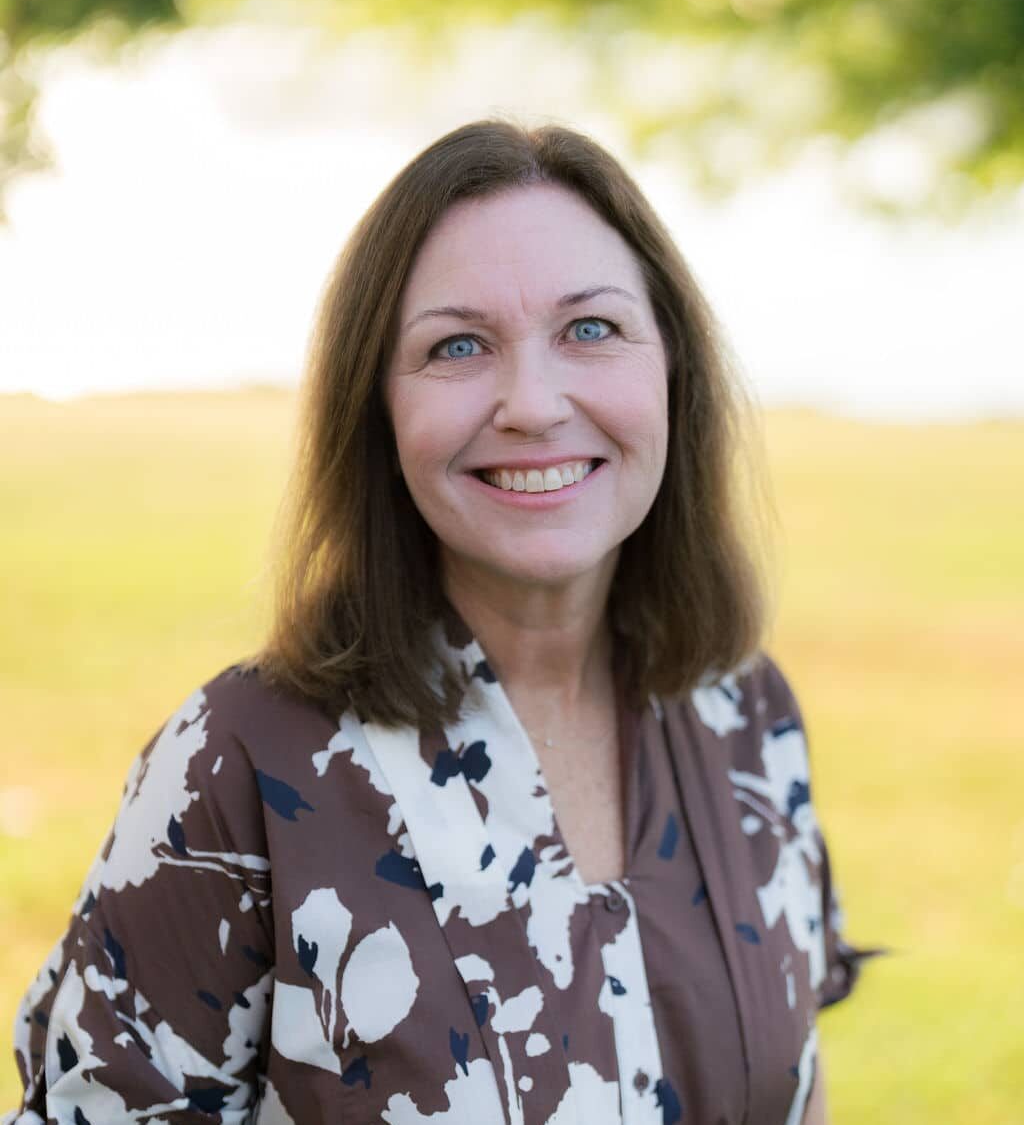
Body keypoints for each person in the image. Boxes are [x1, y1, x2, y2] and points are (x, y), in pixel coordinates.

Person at [5, 119, 880, 1125]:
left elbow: (796, 1086)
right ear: (374, 406)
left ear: (671, 366)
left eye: (588, 328)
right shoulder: (241, 766)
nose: (532, 403)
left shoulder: (744, 713)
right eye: (456, 345)